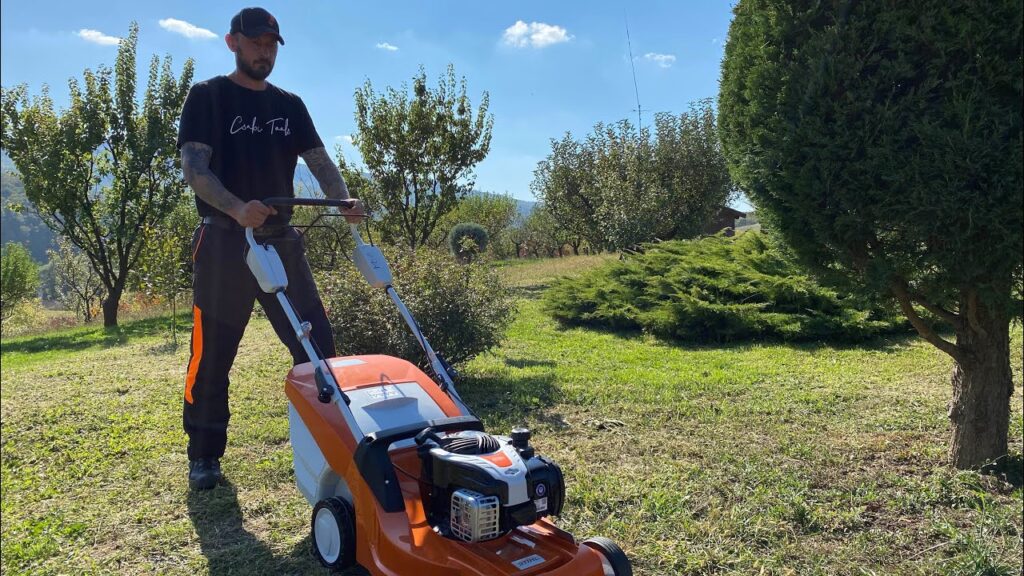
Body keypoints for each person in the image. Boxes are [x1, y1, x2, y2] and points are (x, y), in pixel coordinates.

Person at [177, 7, 361, 490]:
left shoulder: (290, 105)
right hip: (223, 244)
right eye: (256, 41)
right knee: (212, 355)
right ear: (232, 41)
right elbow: (195, 170)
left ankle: (335, 443)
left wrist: (343, 201)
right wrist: (237, 208)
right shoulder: (208, 97)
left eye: (272, 43)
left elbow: (320, 161)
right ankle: (204, 456)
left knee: (318, 349)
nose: (264, 50)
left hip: (282, 243)